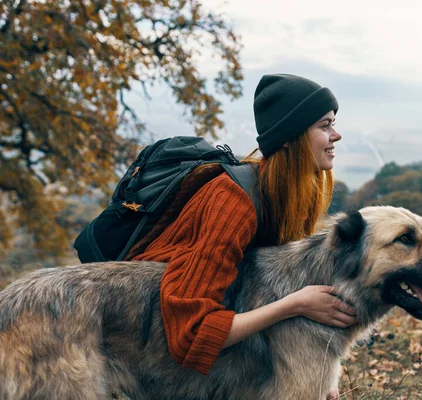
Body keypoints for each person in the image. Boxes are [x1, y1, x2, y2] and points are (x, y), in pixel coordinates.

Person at [132, 74, 355, 397]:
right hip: (139, 332)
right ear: (290, 136)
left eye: (333, 123)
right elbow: (191, 334)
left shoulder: (293, 196)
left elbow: (265, 290)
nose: (336, 135)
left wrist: (323, 373)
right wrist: (294, 304)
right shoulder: (234, 202)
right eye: (324, 125)